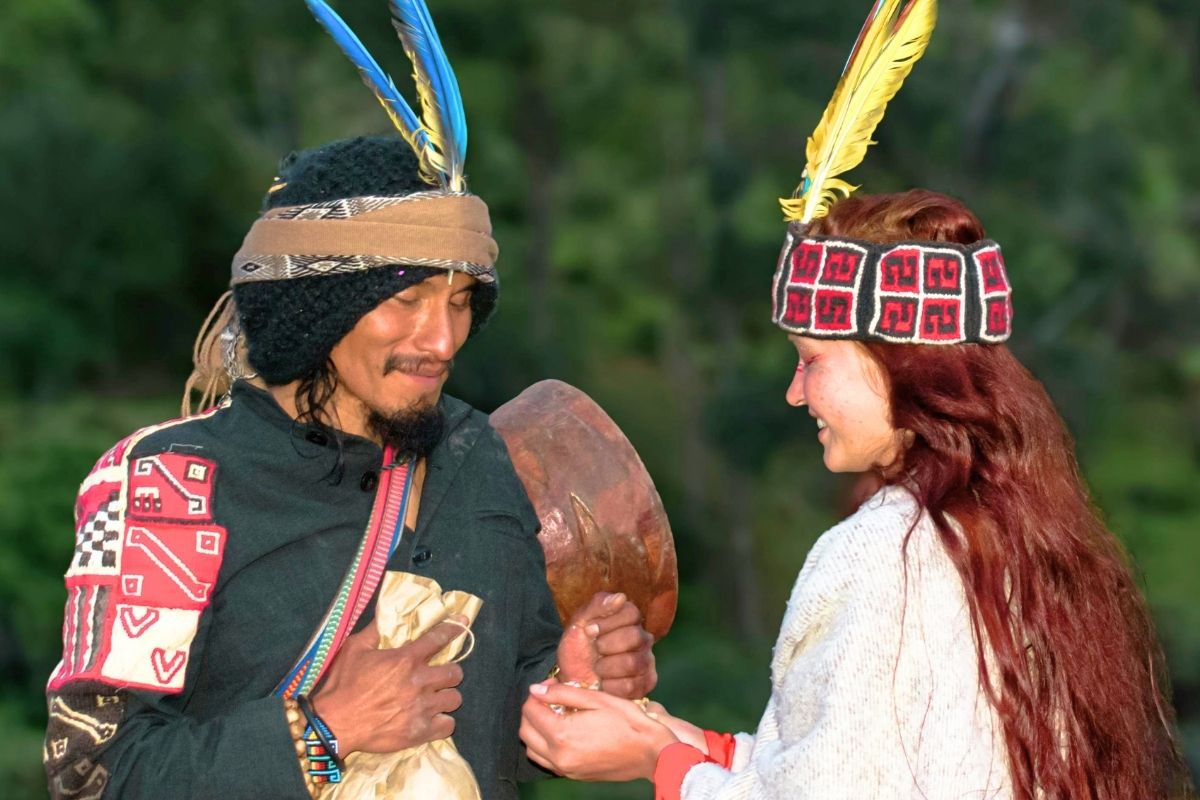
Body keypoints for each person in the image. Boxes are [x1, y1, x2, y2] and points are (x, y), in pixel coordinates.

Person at [518, 2, 1185, 798]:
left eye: (812, 361)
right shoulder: (1018, 533)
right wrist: (675, 738)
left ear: (899, 364)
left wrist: (652, 763)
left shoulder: (883, 556)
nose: (796, 392)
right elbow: (860, 765)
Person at [43, 2, 655, 797]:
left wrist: (565, 683)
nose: (444, 338)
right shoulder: (165, 487)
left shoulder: (481, 459)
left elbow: (509, 714)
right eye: (405, 301)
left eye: (463, 300)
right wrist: (322, 734)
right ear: (317, 310)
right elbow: (89, 774)